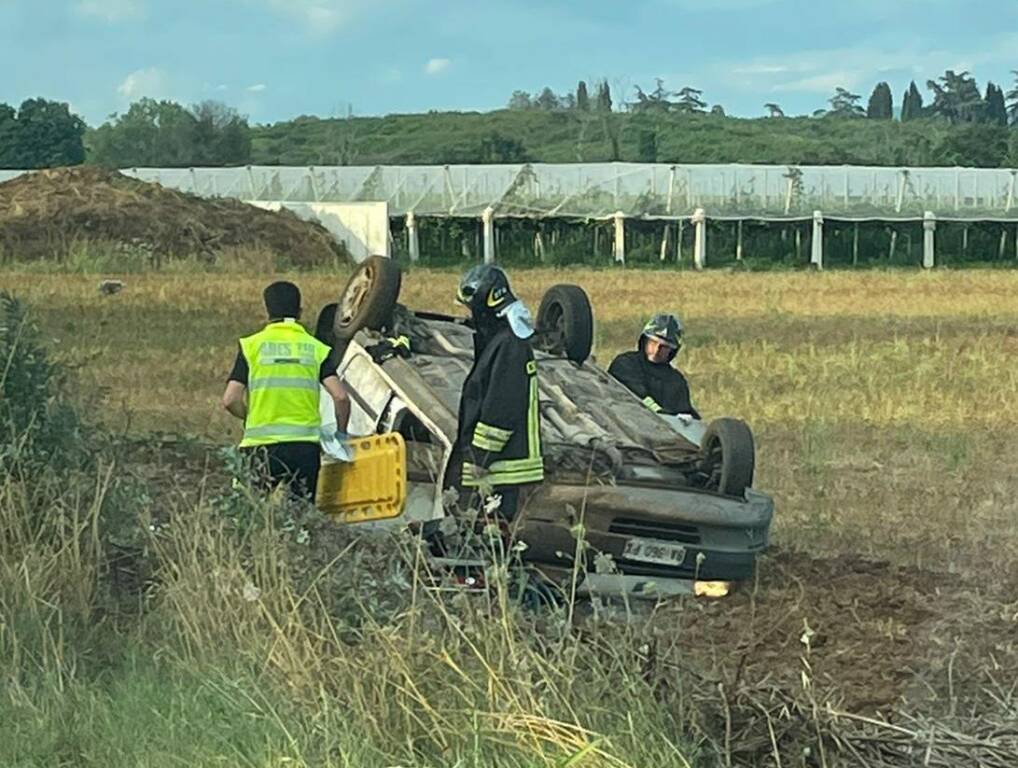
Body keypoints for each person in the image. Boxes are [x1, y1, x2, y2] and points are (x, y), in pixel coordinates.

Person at [222, 281, 350, 502]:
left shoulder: (252, 346)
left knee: (250, 512)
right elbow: (340, 397)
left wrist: (250, 417)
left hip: (260, 449)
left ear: (267, 310)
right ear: (300, 311)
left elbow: (230, 399)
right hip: (304, 448)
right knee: (301, 516)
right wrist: (340, 435)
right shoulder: (316, 348)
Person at [454, 265, 543, 520]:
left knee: (488, 535)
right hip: (498, 466)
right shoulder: (502, 341)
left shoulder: (509, 345)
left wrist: (480, 456)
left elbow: (502, 407)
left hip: (502, 467)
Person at [608, 313, 701, 419]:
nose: (657, 350)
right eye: (653, 342)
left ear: (672, 350)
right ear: (645, 341)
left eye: (664, 347)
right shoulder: (625, 364)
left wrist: (688, 420)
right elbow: (636, 395)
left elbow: (685, 411)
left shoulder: (676, 380)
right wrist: (661, 413)